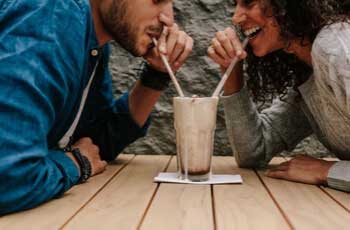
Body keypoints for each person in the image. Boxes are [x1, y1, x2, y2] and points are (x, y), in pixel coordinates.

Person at [0, 0, 193, 215]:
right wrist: (76, 164)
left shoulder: (92, 42)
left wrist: (157, 74)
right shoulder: (50, 15)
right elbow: (8, 177)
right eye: (157, 0)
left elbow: (96, 145)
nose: (168, 19)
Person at [208, 0, 350, 191]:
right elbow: (254, 150)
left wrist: (328, 170)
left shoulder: (335, 47)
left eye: (249, 2)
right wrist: (231, 70)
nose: (236, 17)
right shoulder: (308, 72)